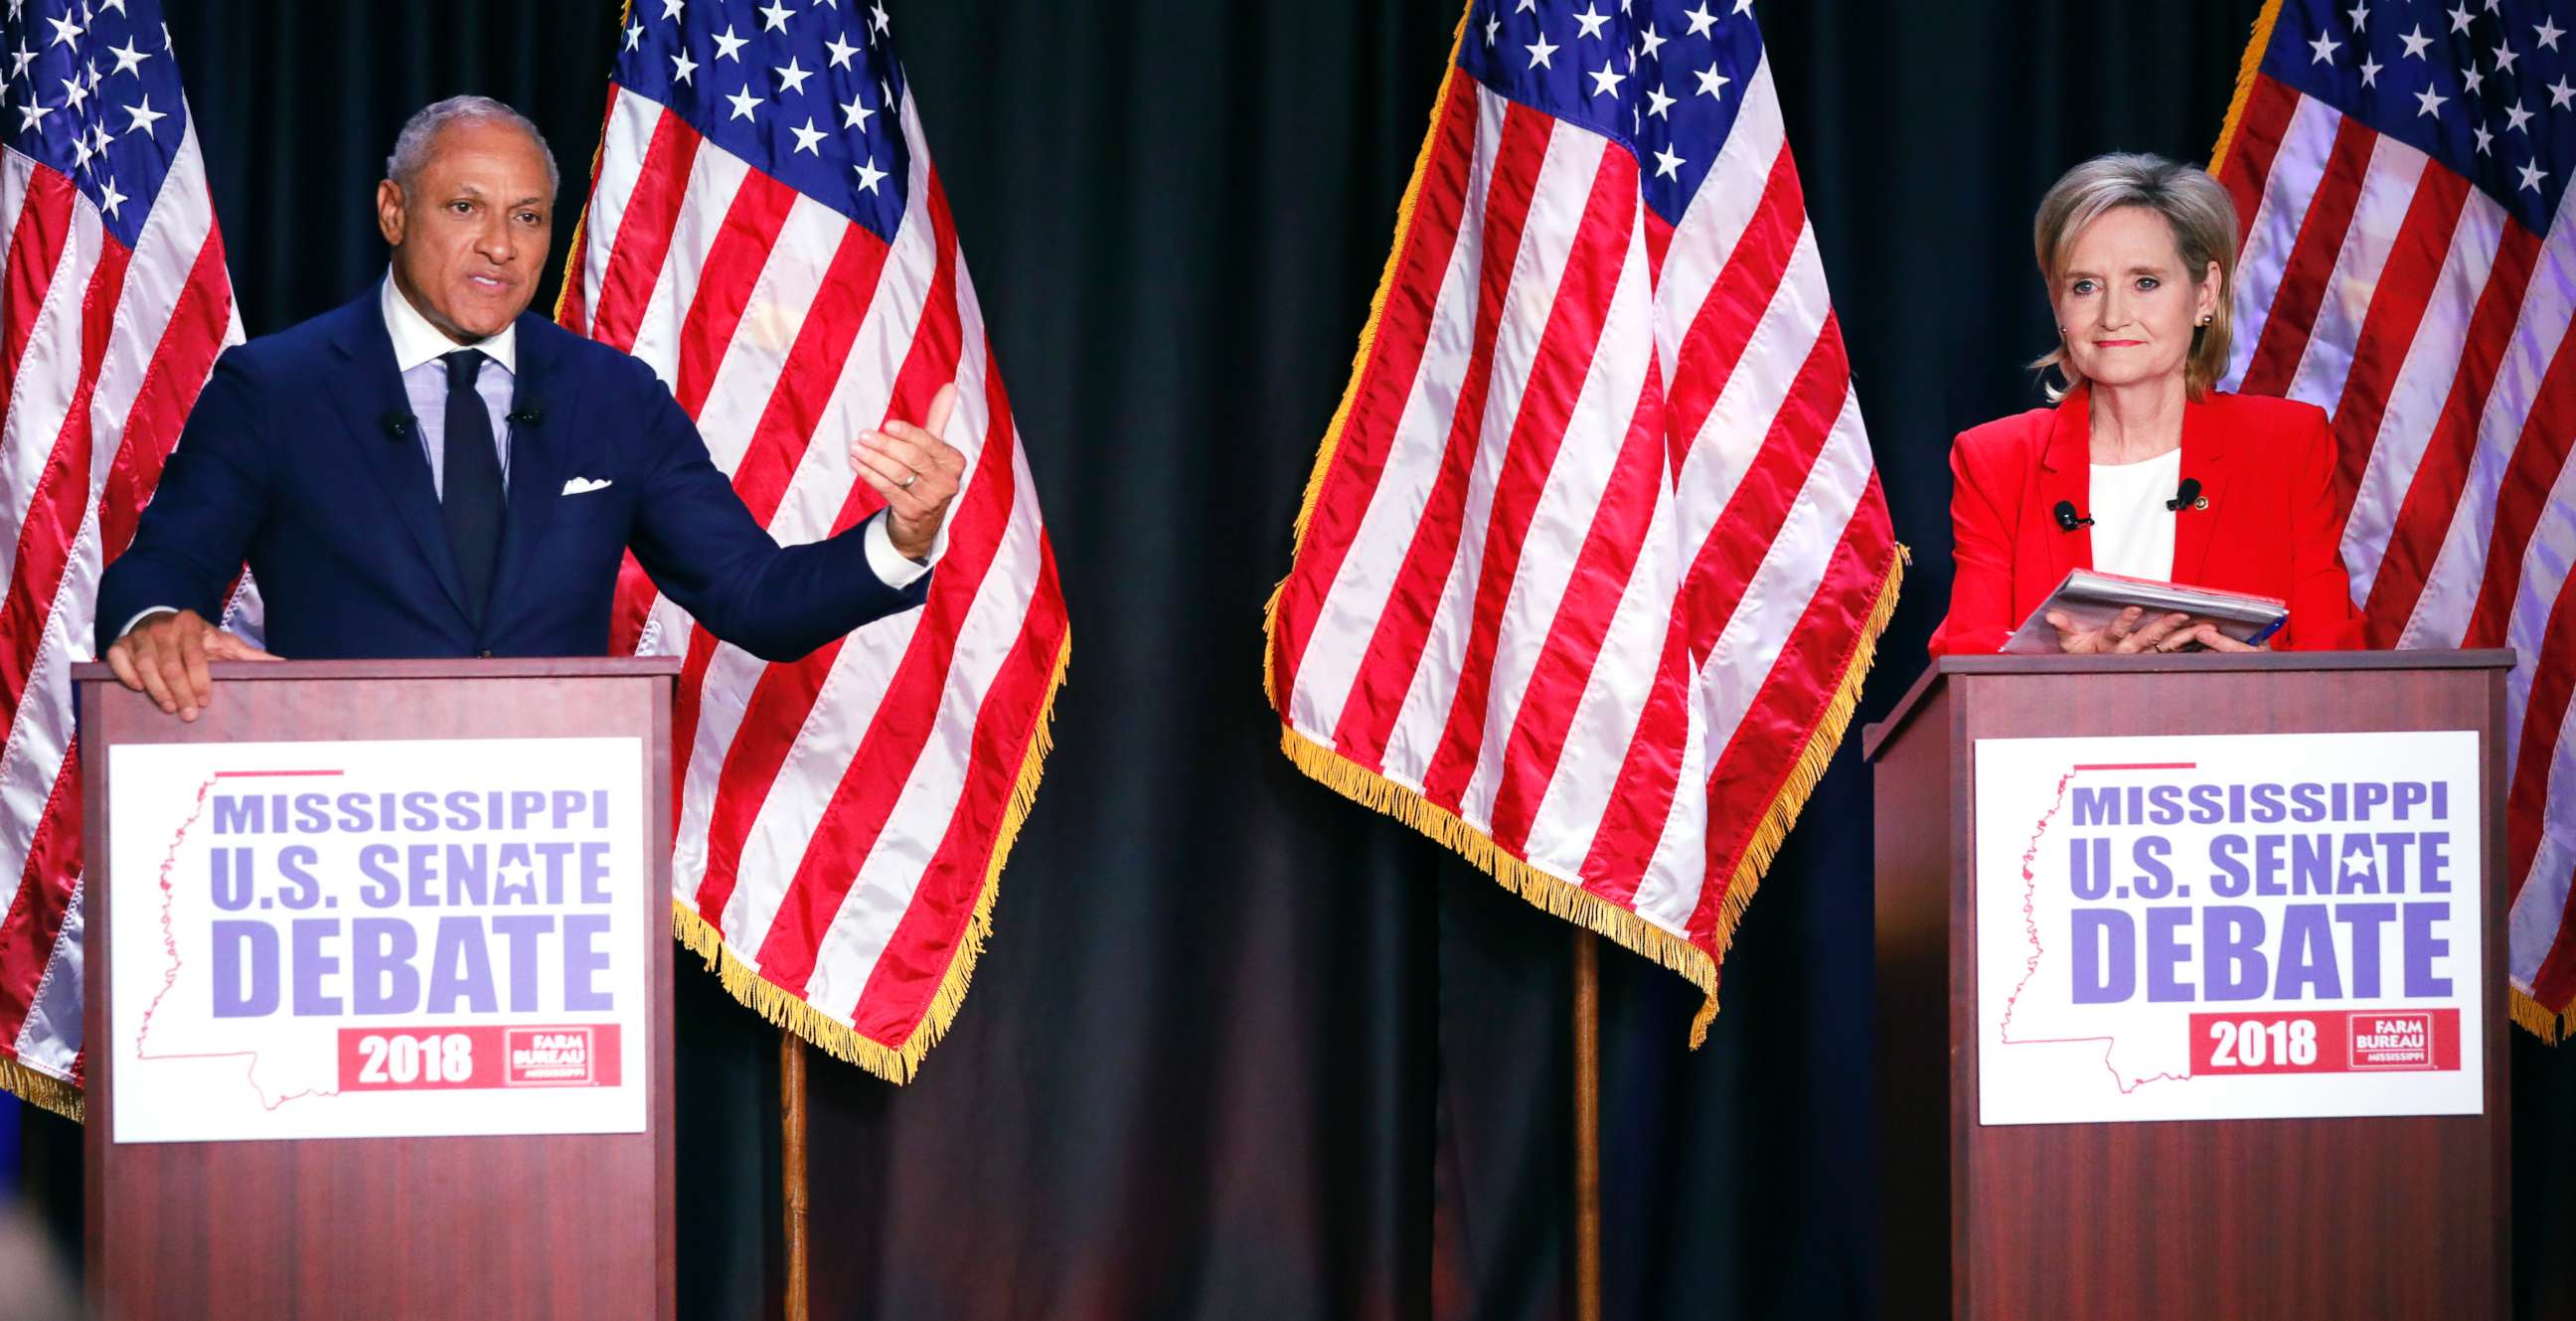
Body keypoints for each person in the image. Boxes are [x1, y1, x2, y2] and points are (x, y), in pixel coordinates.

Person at [97, 95, 968, 719]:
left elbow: (760, 598)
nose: (501, 246)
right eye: (465, 207)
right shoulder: (276, 388)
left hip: (552, 859)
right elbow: (157, 568)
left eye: (529, 216)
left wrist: (903, 537)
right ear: (394, 211)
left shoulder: (612, 397)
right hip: (341, 839)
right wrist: (156, 622)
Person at [1927, 152, 2362, 657]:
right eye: (2085, 286)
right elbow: (1964, 655)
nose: (2113, 316)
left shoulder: (2286, 444)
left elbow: (2334, 652)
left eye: (2145, 282)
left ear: (2205, 293)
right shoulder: (1997, 459)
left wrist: (2267, 685)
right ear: (2058, 304)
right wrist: (2067, 667)